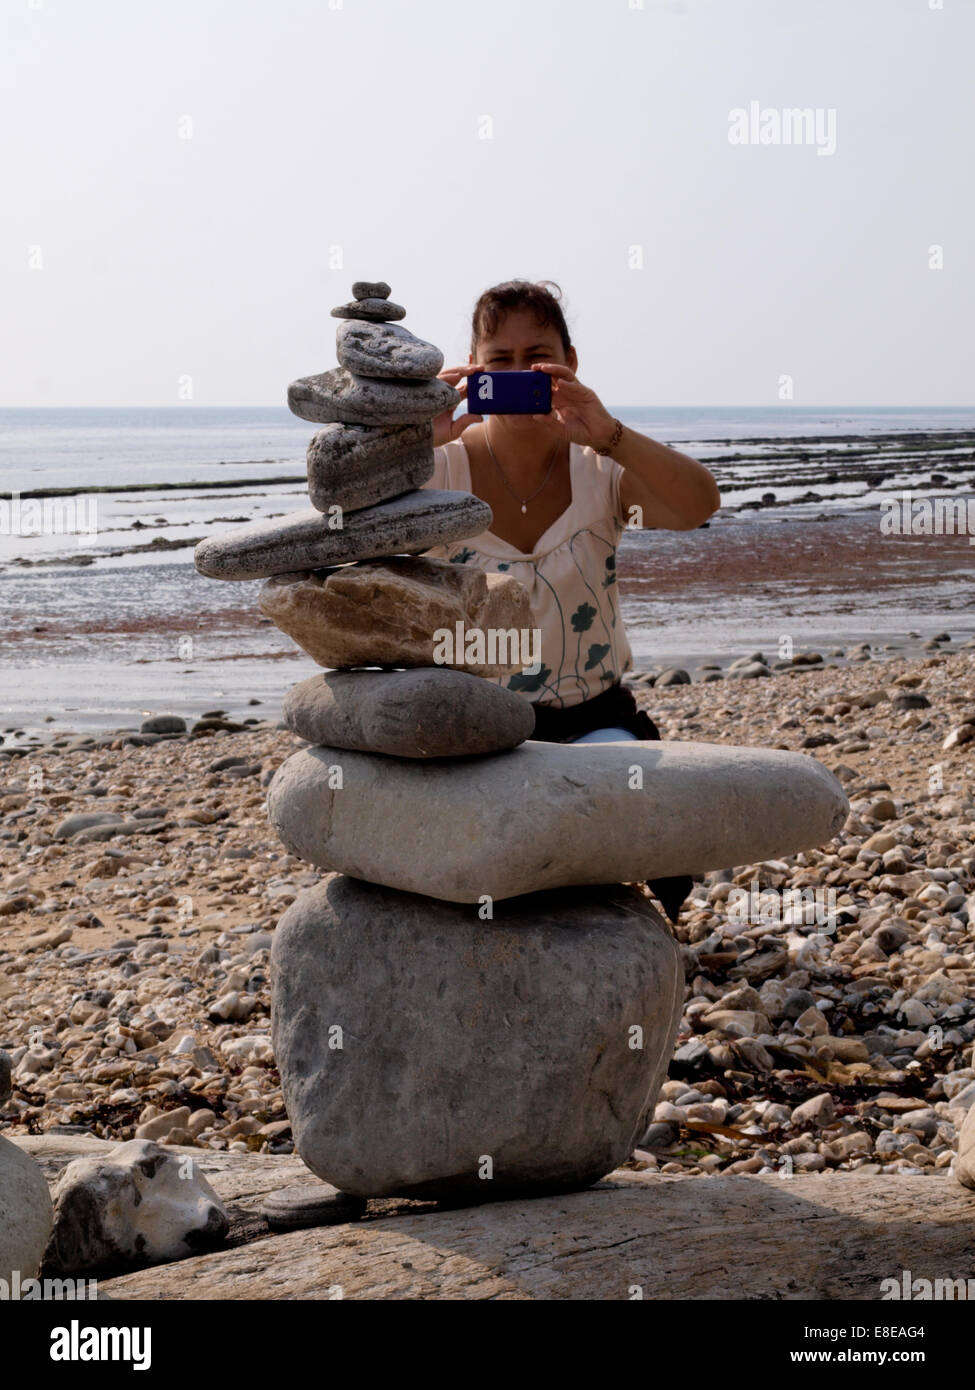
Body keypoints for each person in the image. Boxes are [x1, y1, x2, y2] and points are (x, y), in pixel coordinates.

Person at [422, 279, 720, 921]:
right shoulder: (437, 471)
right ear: (471, 368)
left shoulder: (603, 469)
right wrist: (416, 442)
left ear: (570, 363)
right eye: (497, 360)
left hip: (592, 717)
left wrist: (608, 431)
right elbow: (332, 524)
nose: (519, 372)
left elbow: (699, 504)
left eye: (538, 356)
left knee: (630, 800)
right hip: (477, 726)